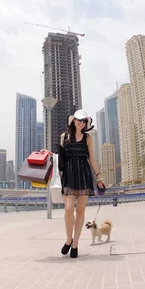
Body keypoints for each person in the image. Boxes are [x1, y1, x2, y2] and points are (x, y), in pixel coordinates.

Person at [43, 109, 105, 258]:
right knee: (69, 209)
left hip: (84, 175)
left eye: (84, 121)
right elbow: (62, 157)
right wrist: (52, 155)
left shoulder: (88, 138)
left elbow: (92, 159)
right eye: (79, 120)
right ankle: (68, 240)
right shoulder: (64, 137)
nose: (81, 123)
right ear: (73, 121)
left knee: (81, 212)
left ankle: (75, 244)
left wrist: (99, 178)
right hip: (69, 175)